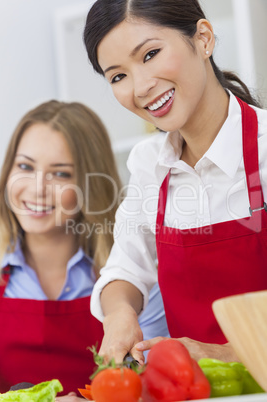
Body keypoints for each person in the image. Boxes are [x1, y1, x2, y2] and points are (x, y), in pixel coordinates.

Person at [83, 0, 267, 366]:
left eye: (150, 54)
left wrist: (223, 356)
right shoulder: (151, 167)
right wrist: (121, 314)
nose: (141, 87)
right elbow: (126, 269)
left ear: (203, 38)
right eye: (118, 76)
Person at [0, 100, 169, 400]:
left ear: (89, 184)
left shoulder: (135, 279)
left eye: (60, 174)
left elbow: (158, 385)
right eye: (25, 166)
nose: (37, 188)